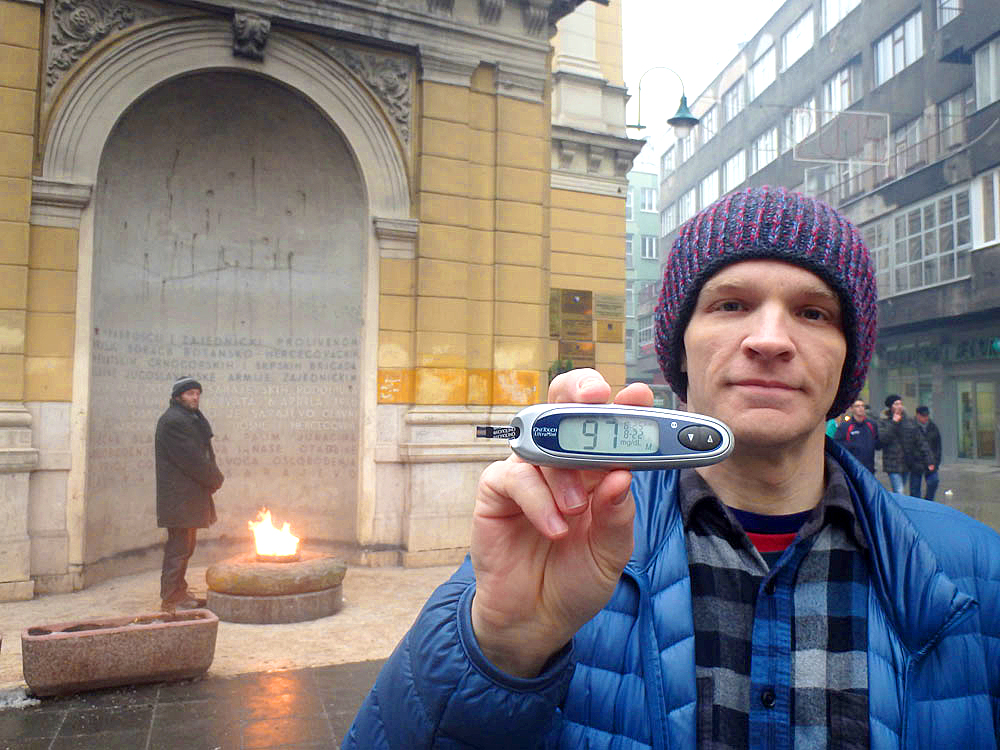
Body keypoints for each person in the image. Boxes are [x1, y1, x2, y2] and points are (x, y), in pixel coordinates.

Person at [344, 187, 1000, 748]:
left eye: (812, 312)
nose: (770, 339)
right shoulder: (553, 545)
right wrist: (503, 648)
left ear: (847, 358)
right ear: (679, 350)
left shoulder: (975, 571)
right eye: (730, 304)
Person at [155, 376, 224, 611]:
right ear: (178, 397)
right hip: (179, 497)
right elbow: (192, 459)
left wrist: (211, 477)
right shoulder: (175, 421)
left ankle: (178, 590)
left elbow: (197, 455)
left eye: (197, 393)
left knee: (184, 547)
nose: (195, 398)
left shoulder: (187, 418)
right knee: (179, 548)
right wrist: (214, 478)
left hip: (186, 496)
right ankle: (171, 597)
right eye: (190, 394)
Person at [878, 395, 933, 495]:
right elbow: (883, 438)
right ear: (890, 407)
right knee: (899, 490)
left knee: (900, 489)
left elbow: (920, 440)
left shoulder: (909, 421)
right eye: (896, 404)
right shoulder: (884, 421)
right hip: (892, 463)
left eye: (900, 403)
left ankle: (894, 504)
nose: (899, 406)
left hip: (906, 462)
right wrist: (894, 422)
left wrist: (929, 459)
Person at [833, 397, 880, 472]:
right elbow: (838, 446)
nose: (861, 408)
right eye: (857, 406)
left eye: (862, 406)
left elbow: (878, 443)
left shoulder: (871, 425)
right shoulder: (845, 427)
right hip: (852, 468)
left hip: (869, 468)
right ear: (852, 409)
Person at [912, 405, 942, 500]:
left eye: (927, 415)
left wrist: (935, 462)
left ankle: (928, 502)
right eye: (923, 416)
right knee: (915, 489)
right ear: (917, 415)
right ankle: (916, 507)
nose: (926, 418)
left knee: (934, 481)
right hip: (916, 462)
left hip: (931, 461)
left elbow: (938, 447)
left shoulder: (933, 427)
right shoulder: (912, 427)